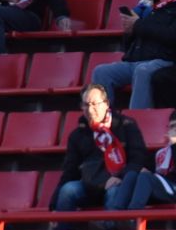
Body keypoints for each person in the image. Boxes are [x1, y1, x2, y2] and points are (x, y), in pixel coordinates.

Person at [55, 87, 150, 215]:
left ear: (106, 104)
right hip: (90, 184)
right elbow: (70, 170)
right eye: (85, 105)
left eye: (94, 104)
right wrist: (53, 203)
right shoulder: (77, 135)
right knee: (67, 191)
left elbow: (138, 158)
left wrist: (119, 177)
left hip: (118, 181)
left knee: (114, 192)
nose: (90, 110)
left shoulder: (127, 125)